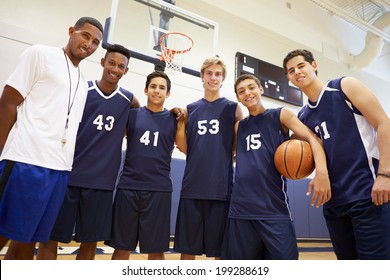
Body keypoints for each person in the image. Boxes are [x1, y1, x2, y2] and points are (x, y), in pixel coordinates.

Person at [0, 17, 103, 260]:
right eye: (85, 36)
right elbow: (8, 101)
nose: (89, 44)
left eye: (96, 42)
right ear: (71, 32)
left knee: (28, 238)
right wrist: (3, 148)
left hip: (59, 169)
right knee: (3, 231)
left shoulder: (82, 80)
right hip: (26, 161)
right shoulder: (40, 54)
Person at [283, 49, 390, 259]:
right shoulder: (303, 117)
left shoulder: (343, 86)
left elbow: (383, 123)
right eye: (291, 70)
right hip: (333, 203)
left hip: (368, 194)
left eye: (301, 66)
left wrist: (385, 175)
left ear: (314, 65)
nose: (297, 72)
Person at [36, 44, 140, 260]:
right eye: (111, 63)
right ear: (102, 62)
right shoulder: (83, 89)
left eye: (121, 66)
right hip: (69, 175)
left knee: (89, 241)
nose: (115, 69)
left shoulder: (128, 99)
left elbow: (143, 115)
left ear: (126, 71)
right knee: (50, 236)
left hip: (101, 182)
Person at [220, 74, 331, 260]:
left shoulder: (280, 115)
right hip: (240, 209)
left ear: (260, 89)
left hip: (273, 208)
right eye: (241, 91)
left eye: (251, 87)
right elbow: (228, 155)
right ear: (238, 98)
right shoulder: (239, 127)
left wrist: (321, 172)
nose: (247, 93)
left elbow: (313, 139)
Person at [106, 71, 186, 260]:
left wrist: (182, 119)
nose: (156, 91)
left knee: (156, 250)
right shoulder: (131, 115)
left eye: (161, 88)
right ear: (145, 90)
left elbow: (184, 148)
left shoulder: (174, 120)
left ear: (168, 93)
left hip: (158, 190)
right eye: (153, 86)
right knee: (121, 248)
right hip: (128, 187)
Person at [173, 57, 244, 260]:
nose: (213, 77)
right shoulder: (191, 109)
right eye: (209, 73)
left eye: (218, 74)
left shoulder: (233, 108)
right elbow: (187, 149)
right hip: (193, 187)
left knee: (221, 251)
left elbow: (236, 147)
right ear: (202, 76)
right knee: (188, 249)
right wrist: (180, 124)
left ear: (223, 79)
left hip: (221, 188)